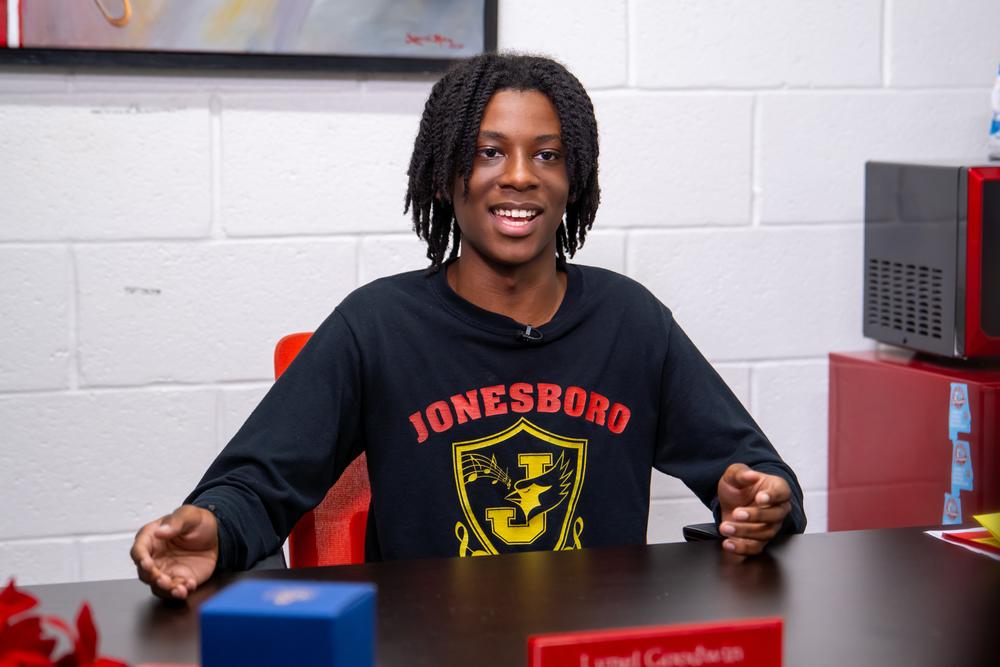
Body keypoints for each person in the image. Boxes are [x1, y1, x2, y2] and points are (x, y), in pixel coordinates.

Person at [132, 53, 806, 600]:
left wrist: (762, 503)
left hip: (591, 647)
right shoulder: (378, 327)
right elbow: (256, 485)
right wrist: (214, 528)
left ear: (577, 178)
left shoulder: (630, 323)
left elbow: (760, 480)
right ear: (442, 175)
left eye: (547, 155)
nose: (519, 176)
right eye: (489, 152)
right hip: (425, 647)